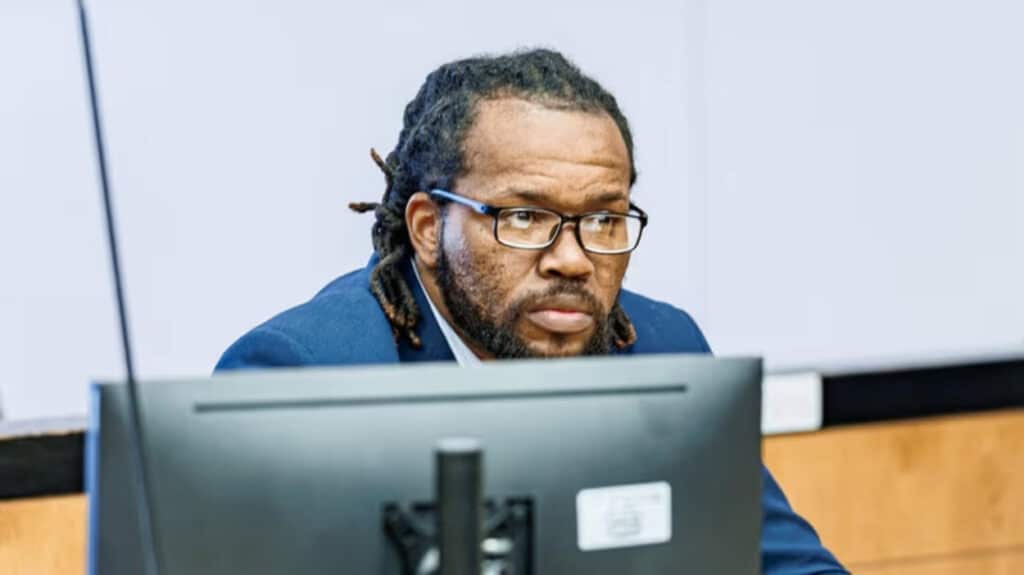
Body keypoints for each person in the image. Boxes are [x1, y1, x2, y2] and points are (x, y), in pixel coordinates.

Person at [217, 48, 848, 574]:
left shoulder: (659, 348)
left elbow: (785, 563)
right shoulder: (305, 376)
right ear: (429, 228)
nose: (572, 260)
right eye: (525, 217)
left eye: (603, 219)